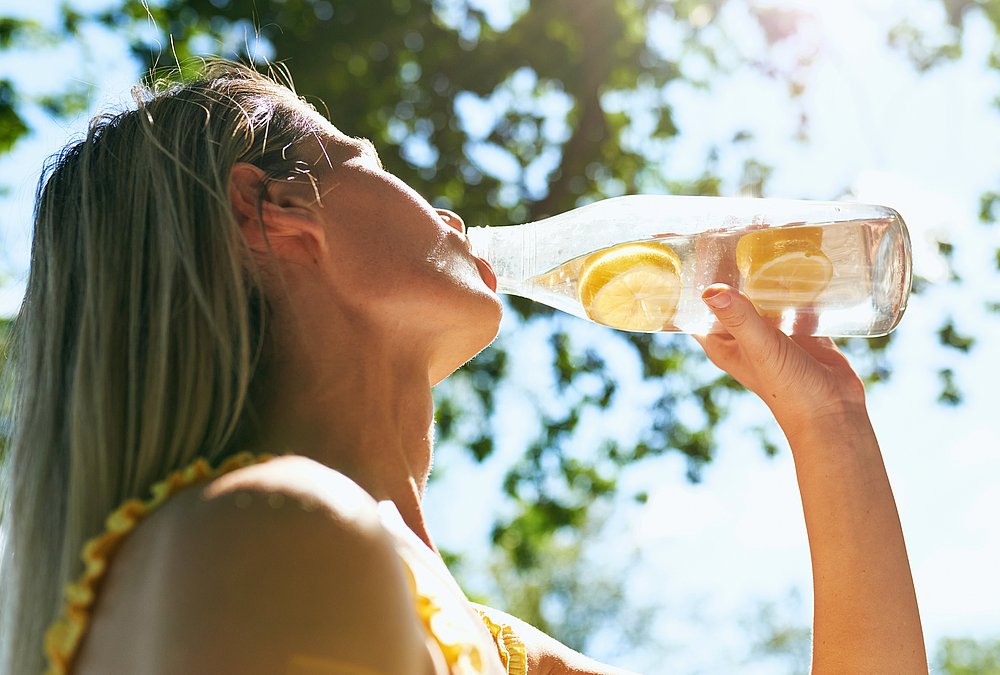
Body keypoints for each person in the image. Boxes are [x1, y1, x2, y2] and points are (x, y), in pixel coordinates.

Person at [0, 61, 926, 674]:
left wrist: (829, 420)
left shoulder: (493, 645)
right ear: (274, 209)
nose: (444, 212)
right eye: (364, 159)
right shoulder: (274, 537)